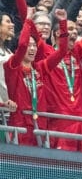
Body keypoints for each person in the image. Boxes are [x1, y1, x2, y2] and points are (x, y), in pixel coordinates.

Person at [4, 8, 68, 146]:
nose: (32, 49)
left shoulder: (40, 68)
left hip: (40, 125)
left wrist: (63, 23)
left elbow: (62, 51)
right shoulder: (12, 66)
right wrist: (27, 20)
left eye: (34, 46)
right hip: (20, 125)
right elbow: (22, 45)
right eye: (30, 46)